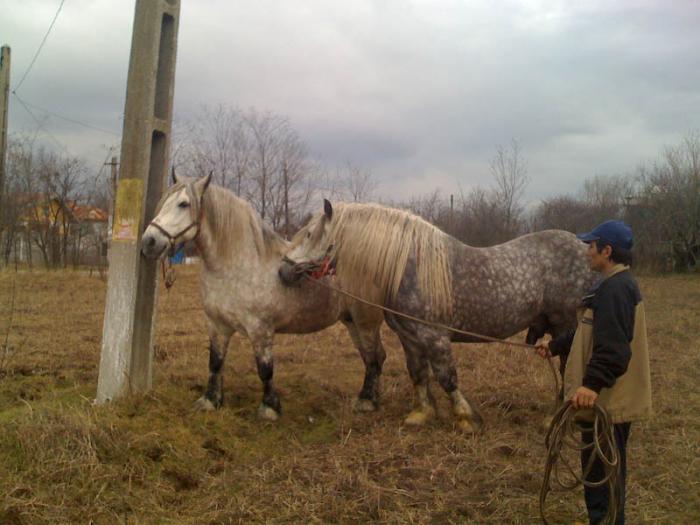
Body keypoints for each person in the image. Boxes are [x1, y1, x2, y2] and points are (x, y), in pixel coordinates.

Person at [535, 220, 652, 525]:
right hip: (604, 401)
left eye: (592, 246)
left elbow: (613, 349)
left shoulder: (616, 289)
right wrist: (556, 345)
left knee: (602, 477)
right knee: (599, 472)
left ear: (607, 251)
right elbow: (590, 330)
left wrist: (591, 385)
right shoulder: (613, 284)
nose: (587, 252)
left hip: (607, 403)